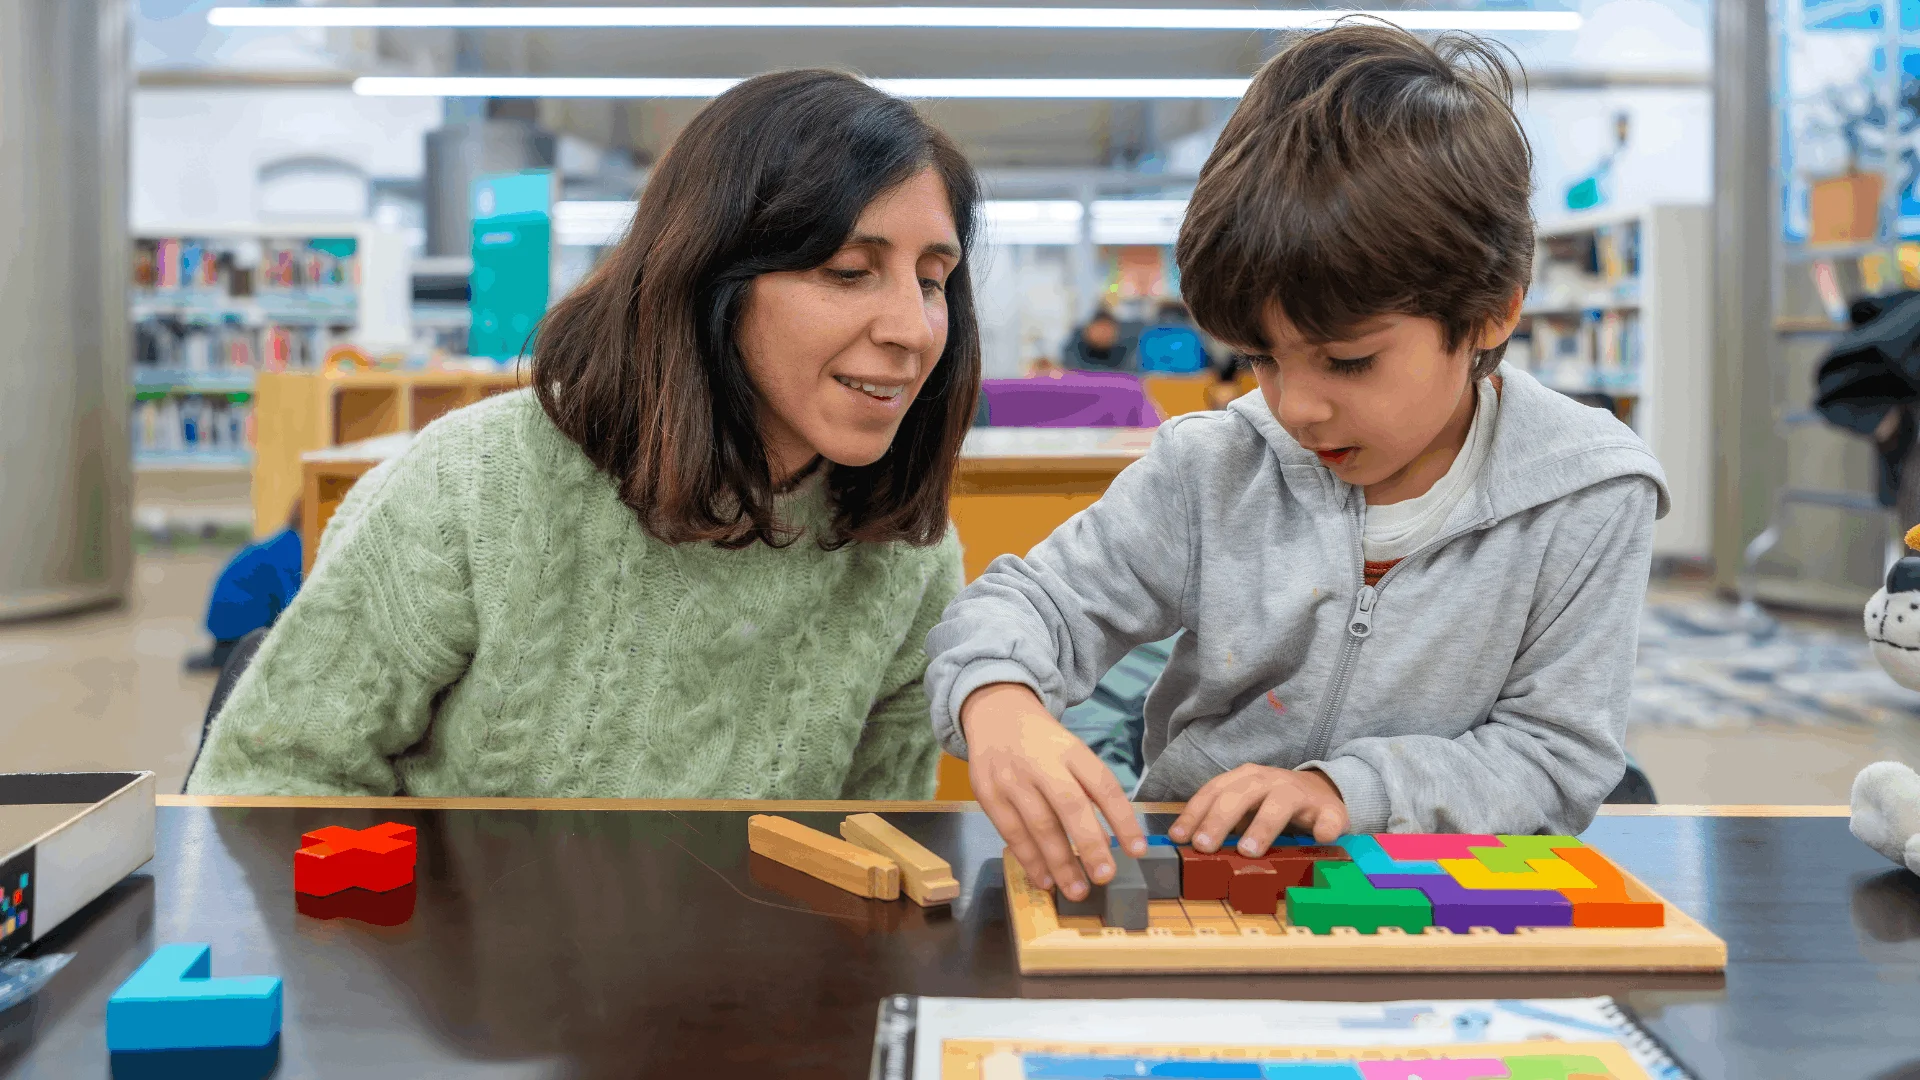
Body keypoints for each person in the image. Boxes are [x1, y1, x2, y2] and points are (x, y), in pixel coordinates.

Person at [924, 24, 1667, 903]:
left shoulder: (1589, 494)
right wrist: (1001, 702)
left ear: (1493, 313)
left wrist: (1342, 792)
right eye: (1260, 359)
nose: (1295, 407)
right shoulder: (1213, 467)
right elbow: (1028, 605)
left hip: (1441, 898)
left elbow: (1555, 757)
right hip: (1198, 883)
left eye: (1348, 361)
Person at [189, 70, 981, 798]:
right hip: (453, 948)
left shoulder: (909, 557)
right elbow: (267, 782)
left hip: (759, 953)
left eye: (933, 281)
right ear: (710, 275)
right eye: (849, 272)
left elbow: (876, 851)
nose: (914, 328)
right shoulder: (476, 486)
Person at [185, 497, 303, 672]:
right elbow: (294, 603)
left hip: (227, 628)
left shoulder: (284, 541)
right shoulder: (293, 547)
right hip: (239, 632)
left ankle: (218, 658)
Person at [1061, 309, 1128, 371]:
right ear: (1088, 330)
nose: (1103, 335)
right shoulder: (1073, 350)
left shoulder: (1123, 354)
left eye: (1106, 330)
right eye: (1100, 330)